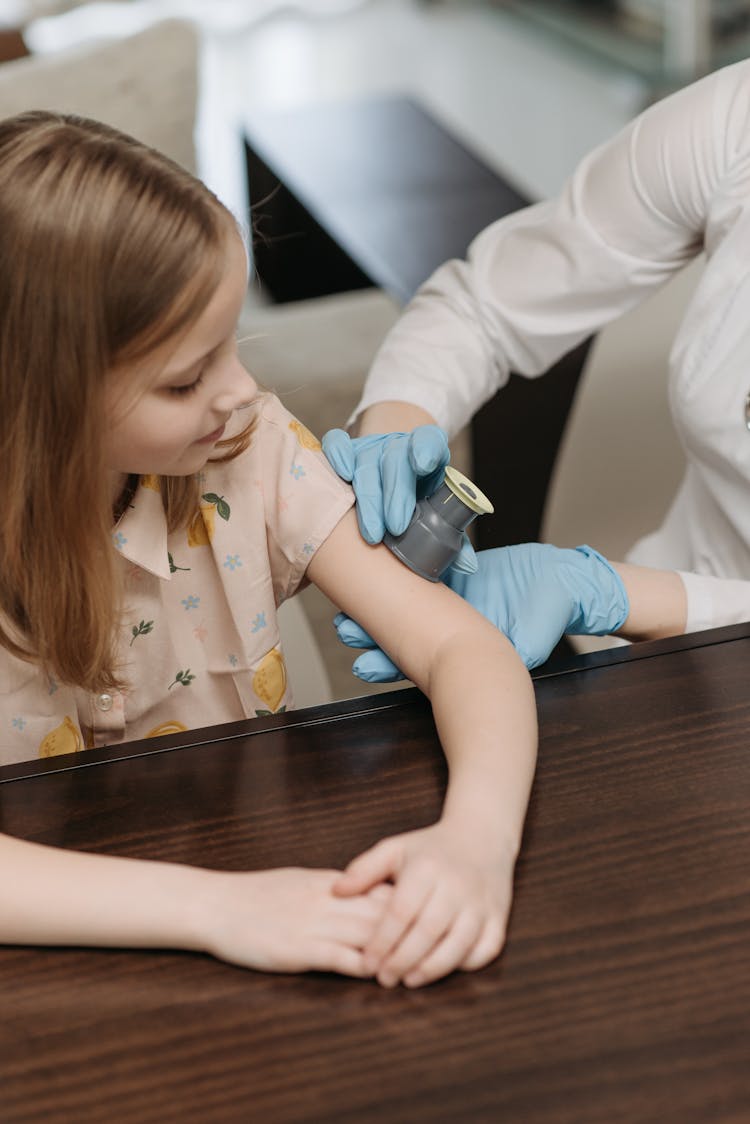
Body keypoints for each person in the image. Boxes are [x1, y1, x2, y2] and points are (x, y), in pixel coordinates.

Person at [0, 109, 558, 990]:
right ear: (39, 405)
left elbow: (461, 647)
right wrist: (219, 910)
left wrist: (476, 843)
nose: (244, 389)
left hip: (260, 892)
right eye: (186, 378)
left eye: (231, 343)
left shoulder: (245, 448)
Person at [323, 59, 750, 682]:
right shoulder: (736, 118)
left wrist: (622, 596)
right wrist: (396, 430)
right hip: (653, 658)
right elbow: (482, 308)